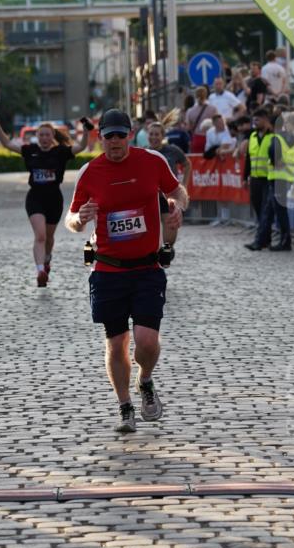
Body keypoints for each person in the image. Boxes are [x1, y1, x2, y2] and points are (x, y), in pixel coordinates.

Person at [65, 109, 188, 434]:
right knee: (116, 342)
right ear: (101, 138)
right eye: (109, 136)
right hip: (108, 269)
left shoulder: (152, 161)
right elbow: (72, 219)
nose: (115, 141)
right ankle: (124, 406)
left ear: (130, 135)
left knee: (146, 341)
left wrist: (178, 210)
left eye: (121, 135)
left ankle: (144, 379)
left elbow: (178, 191)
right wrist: (80, 219)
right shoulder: (90, 171)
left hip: (147, 267)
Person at [0, 113, 90, 286]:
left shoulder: (60, 152)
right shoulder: (30, 151)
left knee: (49, 238)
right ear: (37, 136)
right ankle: (40, 270)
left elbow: (81, 146)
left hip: (54, 200)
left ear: (52, 137)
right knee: (40, 236)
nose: (43, 138)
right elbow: (7, 144)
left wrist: (86, 131)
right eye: (41, 135)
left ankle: (47, 260)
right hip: (35, 198)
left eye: (47, 135)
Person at [246, 111, 294, 252]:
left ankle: (285, 241)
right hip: (285, 177)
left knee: (279, 211)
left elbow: (273, 153)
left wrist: (276, 162)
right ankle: (262, 240)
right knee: (270, 211)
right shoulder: (290, 137)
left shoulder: (278, 138)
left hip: (278, 178)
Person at [146, 120, 190, 252]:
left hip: (169, 195)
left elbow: (187, 164)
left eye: (157, 134)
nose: (154, 137)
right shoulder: (144, 152)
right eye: (151, 134)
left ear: (163, 136)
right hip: (150, 196)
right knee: (149, 228)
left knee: (170, 234)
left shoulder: (172, 150)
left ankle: (166, 250)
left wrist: (184, 185)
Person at [242, 108, 273, 234]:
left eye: (257, 120)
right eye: (253, 120)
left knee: (266, 208)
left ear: (265, 120)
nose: (254, 123)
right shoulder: (253, 136)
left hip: (268, 178)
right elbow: (249, 158)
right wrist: (245, 177)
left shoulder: (272, 136)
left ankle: (262, 237)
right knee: (257, 206)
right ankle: (263, 235)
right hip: (255, 178)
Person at [185, 86, 217, 154]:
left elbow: (188, 127)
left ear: (195, 96)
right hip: (211, 138)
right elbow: (217, 123)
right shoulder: (213, 109)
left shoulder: (190, 111)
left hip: (197, 138)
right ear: (206, 95)